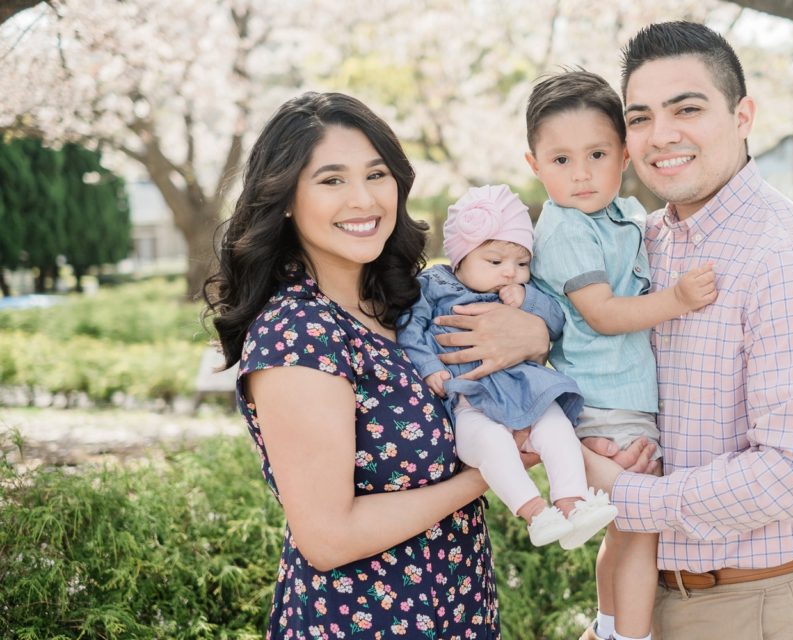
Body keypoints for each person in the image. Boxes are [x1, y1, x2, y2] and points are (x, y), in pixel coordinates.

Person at [576, 21, 793, 640]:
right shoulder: (644, 242)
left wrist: (625, 495)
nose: (663, 136)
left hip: (762, 604)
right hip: (650, 593)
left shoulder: (791, 257)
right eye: (641, 117)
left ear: (743, 115)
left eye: (687, 109)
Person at [202, 91, 500, 639]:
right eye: (332, 180)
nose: (363, 200)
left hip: (457, 614)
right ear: (287, 198)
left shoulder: (404, 305)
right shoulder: (299, 334)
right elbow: (327, 539)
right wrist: (483, 478)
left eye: (377, 174)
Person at [524, 70, 717, 640]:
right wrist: (678, 299)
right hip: (608, 404)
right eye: (560, 161)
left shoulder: (621, 215)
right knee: (642, 532)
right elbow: (604, 313)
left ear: (625, 155)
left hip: (618, 396)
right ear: (534, 165)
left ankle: (608, 629)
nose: (580, 174)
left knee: (622, 528)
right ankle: (631, 636)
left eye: (597, 154)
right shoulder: (564, 230)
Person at [397, 183, 619, 549]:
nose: (510, 273)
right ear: (460, 259)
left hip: (524, 389)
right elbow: (410, 326)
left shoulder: (522, 293)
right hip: (468, 398)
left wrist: (528, 300)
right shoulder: (434, 284)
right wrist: (426, 366)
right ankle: (535, 513)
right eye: (495, 262)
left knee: (555, 425)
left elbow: (555, 321)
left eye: (521, 263)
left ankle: (572, 503)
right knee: (490, 443)